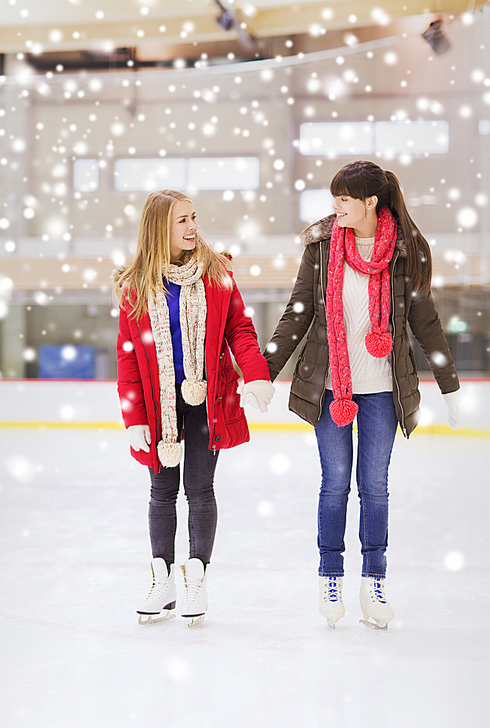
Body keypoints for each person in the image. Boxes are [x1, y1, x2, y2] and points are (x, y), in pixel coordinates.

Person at [264, 160, 460, 630]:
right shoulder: (322, 248)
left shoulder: (405, 251)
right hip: (332, 388)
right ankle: (330, 573)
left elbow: (424, 322)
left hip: (382, 392)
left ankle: (374, 580)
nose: (336, 207)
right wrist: (262, 374)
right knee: (335, 483)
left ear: (371, 202)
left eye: (345, 199)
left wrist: (449, 386)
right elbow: (298, 313)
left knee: (374, 487)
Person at [114, 189, 274, 626]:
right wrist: (132, 419)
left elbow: (240, 328)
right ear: (159, 228)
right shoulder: (136, 286)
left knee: (200, 490)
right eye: (181, 221)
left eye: (193, 218)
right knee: (161, 492)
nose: (192, 227)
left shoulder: (216, 273)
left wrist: (255, 371)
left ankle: (196, 575)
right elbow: (128, 355)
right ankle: (161, 577)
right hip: (157, 405)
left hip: (209, 399)